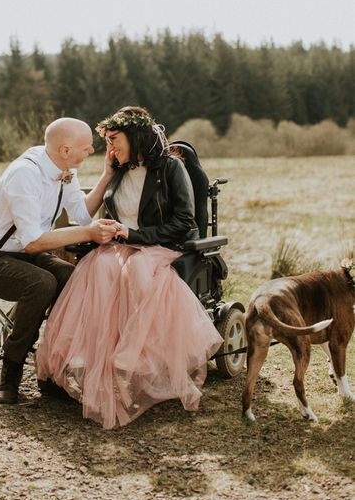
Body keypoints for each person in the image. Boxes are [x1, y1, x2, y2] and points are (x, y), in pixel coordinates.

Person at [35, 106, 223, 429]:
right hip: (121, 246)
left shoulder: (171, 169)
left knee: (135, 271)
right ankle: (92, 364)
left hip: (161, 247)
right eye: (107, 140)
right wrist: (108, 181)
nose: (109, 148)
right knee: (98, 270)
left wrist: (134, 235)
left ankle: (134, 361)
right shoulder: (117, 170)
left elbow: (183, 222)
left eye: (114, 139)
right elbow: (101, 213)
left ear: (135, 137)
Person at [0, 117, 119, 404]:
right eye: (86, 147)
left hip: (27, 257)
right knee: (41, 283)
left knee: (73, 276)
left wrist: (107, 176)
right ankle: (9, 375)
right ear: (65, 150)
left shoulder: (65, 169)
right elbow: (33, 241)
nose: (91, 151)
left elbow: (83, 213)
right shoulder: (24, 174)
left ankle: (52, 372)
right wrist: (88, 233)